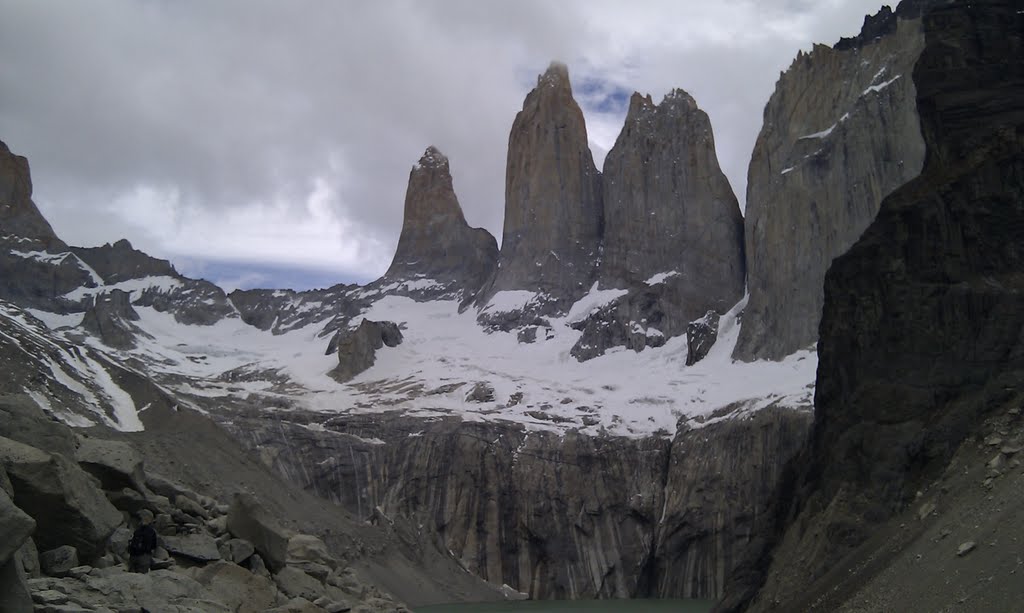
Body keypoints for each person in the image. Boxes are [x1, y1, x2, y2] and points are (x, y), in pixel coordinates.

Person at [128, 509, 158, 573]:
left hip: (134, 556)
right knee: (142, 575)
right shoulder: (152, 532)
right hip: (144, 557)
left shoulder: (137, 531)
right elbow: (153, 546)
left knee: (132, 574)